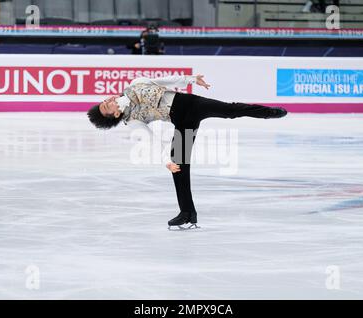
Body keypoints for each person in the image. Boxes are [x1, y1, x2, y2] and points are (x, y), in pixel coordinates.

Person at [87, 75, 287, 229]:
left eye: (105, 101)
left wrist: (189, 79)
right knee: (179, 167)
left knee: (230, 110)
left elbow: (163, 81)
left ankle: (268, 112)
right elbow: (151, 140)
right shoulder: (132, 120)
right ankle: (187, 214)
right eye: (106, 105)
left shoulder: (134, 84)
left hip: (190, 103)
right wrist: (167, 160)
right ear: (114, 114)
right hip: (181, 120)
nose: (108, 99)